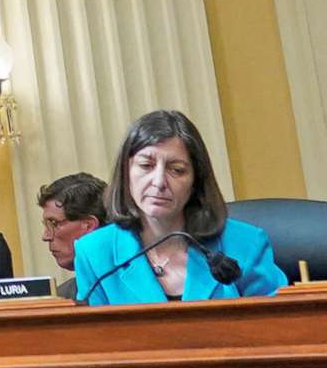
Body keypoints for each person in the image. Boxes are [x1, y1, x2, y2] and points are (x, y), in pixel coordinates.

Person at [74, 109, 286, 305]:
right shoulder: (94, 253)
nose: (158, 182)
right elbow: (96, 341)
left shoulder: (245, 244)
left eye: (176, 170)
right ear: (126, 173)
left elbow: (282, 327)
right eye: (146, 166)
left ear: (196, 181)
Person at [38, 171, 108, 301]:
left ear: (89, 226)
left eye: (54, 223)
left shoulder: (135, 285)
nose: (45, 236)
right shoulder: (59, 298)